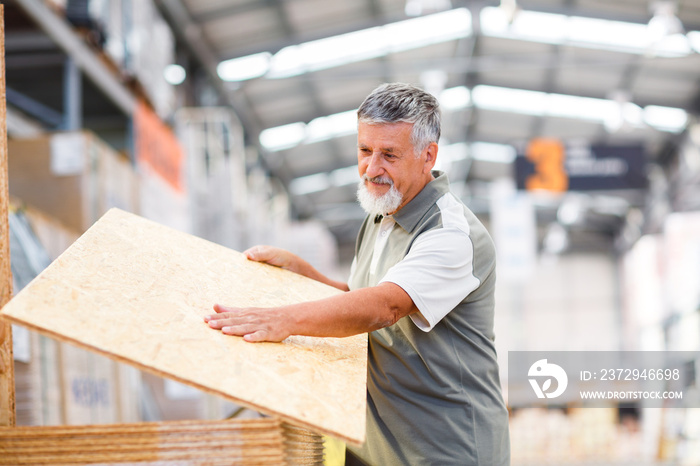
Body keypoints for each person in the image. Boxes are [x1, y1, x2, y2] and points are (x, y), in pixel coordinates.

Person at [204, 82, 510, 465]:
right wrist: (302, 272)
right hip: (382, 447)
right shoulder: (382, 214)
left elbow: (384, 308)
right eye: (365, 151)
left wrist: (283, 319)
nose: (372, 168)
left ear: (427, 155)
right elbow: (358, 293)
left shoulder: (451, 235)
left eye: (389, 155)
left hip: (444, 449)